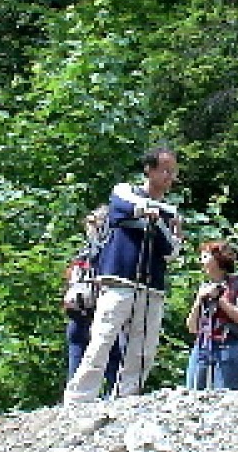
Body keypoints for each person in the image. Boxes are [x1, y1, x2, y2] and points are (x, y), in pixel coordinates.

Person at [63, 146, 183, 405]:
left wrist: (161, 222)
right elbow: (123, 206)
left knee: (143, 349)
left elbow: (172, 251)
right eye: (164, 170)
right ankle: (78, 399)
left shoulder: (169, 212)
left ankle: (127, 398)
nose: (169, 177)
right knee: (102, 339)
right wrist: (153, 212)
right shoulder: (125, 191)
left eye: (173, 172)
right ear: (149, 170)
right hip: (119, 282)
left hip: (151, 287)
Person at [63, 206, 123, 388]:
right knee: (112, 360)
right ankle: (115, 396)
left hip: (78, 312)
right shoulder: (111, 252)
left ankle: (73, 399)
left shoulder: (83, 254)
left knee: (77, 362)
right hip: (102, 313)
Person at [185, 241, 238, 391]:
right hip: (202, 347)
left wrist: (219, 300)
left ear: (218, 260)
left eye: (205, 257)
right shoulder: (205, 287)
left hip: (229, 347)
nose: (201, 261)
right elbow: (192, 328)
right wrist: (199, 300)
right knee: (191, 396)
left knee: (225, 397)